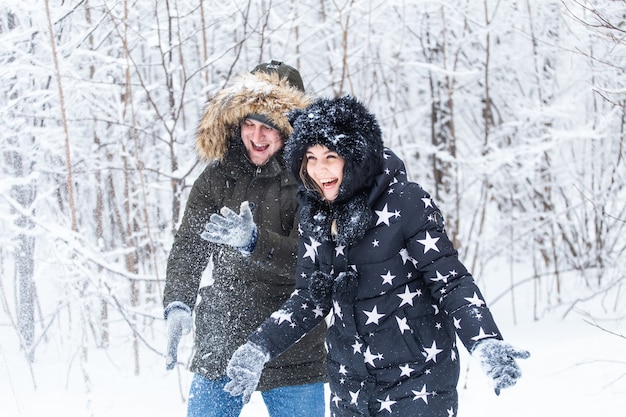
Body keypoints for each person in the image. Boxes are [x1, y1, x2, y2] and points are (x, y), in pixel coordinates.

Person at [223, 96, 530, 416]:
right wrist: (258, 347)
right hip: (350, 387)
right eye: (310, 158)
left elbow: (450, 281)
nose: (320, 169)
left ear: (354, 157)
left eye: (331, 156)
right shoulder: (314, 216)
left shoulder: (404, 202)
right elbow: (309, 299)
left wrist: (484, 340)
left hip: (418, 383)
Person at [162, 61, 327, 417]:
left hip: (291, 338)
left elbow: (313, 263)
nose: (257, 136)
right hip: (224, 331)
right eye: (249, 123)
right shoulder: (216, 178)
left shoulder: (313, 179)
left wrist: (255, 242)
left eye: (270, 126)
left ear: (291, 128)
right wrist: (178, 303)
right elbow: (190, 246)